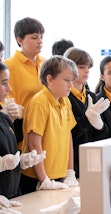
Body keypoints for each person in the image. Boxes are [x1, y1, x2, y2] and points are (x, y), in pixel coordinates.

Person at [20, 55, 79, 194]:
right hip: (37, 177)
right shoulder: (40, 102)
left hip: (58, 174)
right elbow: (34, 143)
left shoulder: (65, 101)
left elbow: (68, 135)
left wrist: (70, 171)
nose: (71, 85)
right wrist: (44, 179)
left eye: (72, 81)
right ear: (50, 79)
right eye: (66, 80)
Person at [0, 62, 45, 208]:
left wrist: (21, 160)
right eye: (4, 83)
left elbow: (7, 150)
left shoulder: (3, 115)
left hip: (11, 193)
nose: (9, 89)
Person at [64, 47, 110, 178]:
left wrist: (99, 125)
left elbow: (104, 135)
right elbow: (69, 135)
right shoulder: (64, 97)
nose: (86, 71)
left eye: (88, 67)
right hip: (72, 163)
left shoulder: (91, 96)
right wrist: (86, 119)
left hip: (94, 159)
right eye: (81, 67)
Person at [3, 17, 45, 146]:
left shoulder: (46, 63)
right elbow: (4, 101)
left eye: (41, 37)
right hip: (23, 134)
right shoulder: (9, 66)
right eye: (34, 37)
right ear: (20, 40)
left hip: (47, 130)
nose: (40, 41)